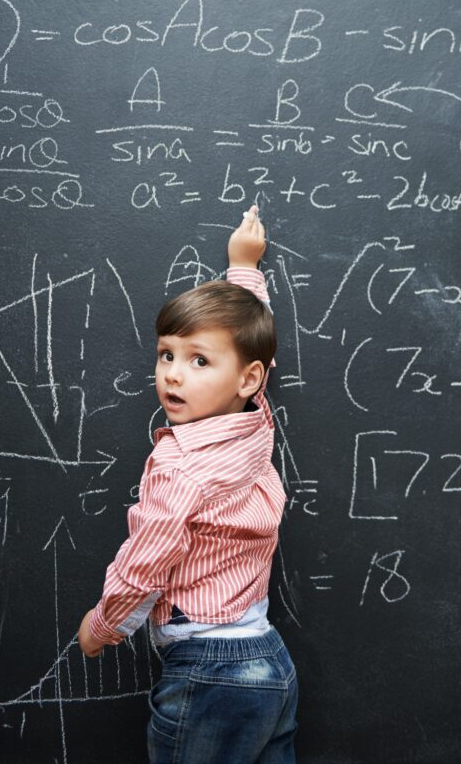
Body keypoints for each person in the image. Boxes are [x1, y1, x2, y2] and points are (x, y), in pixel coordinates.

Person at [77, 205, 298, 764]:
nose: (173, 373)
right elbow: (253, 348)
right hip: (269, 660)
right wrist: (243, 271)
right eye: (166, 355)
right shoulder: (255, 420)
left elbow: (146, 562)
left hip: (209, 673)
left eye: (198, 361)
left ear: (245, 379)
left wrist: (103, 626)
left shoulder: (178, 467)